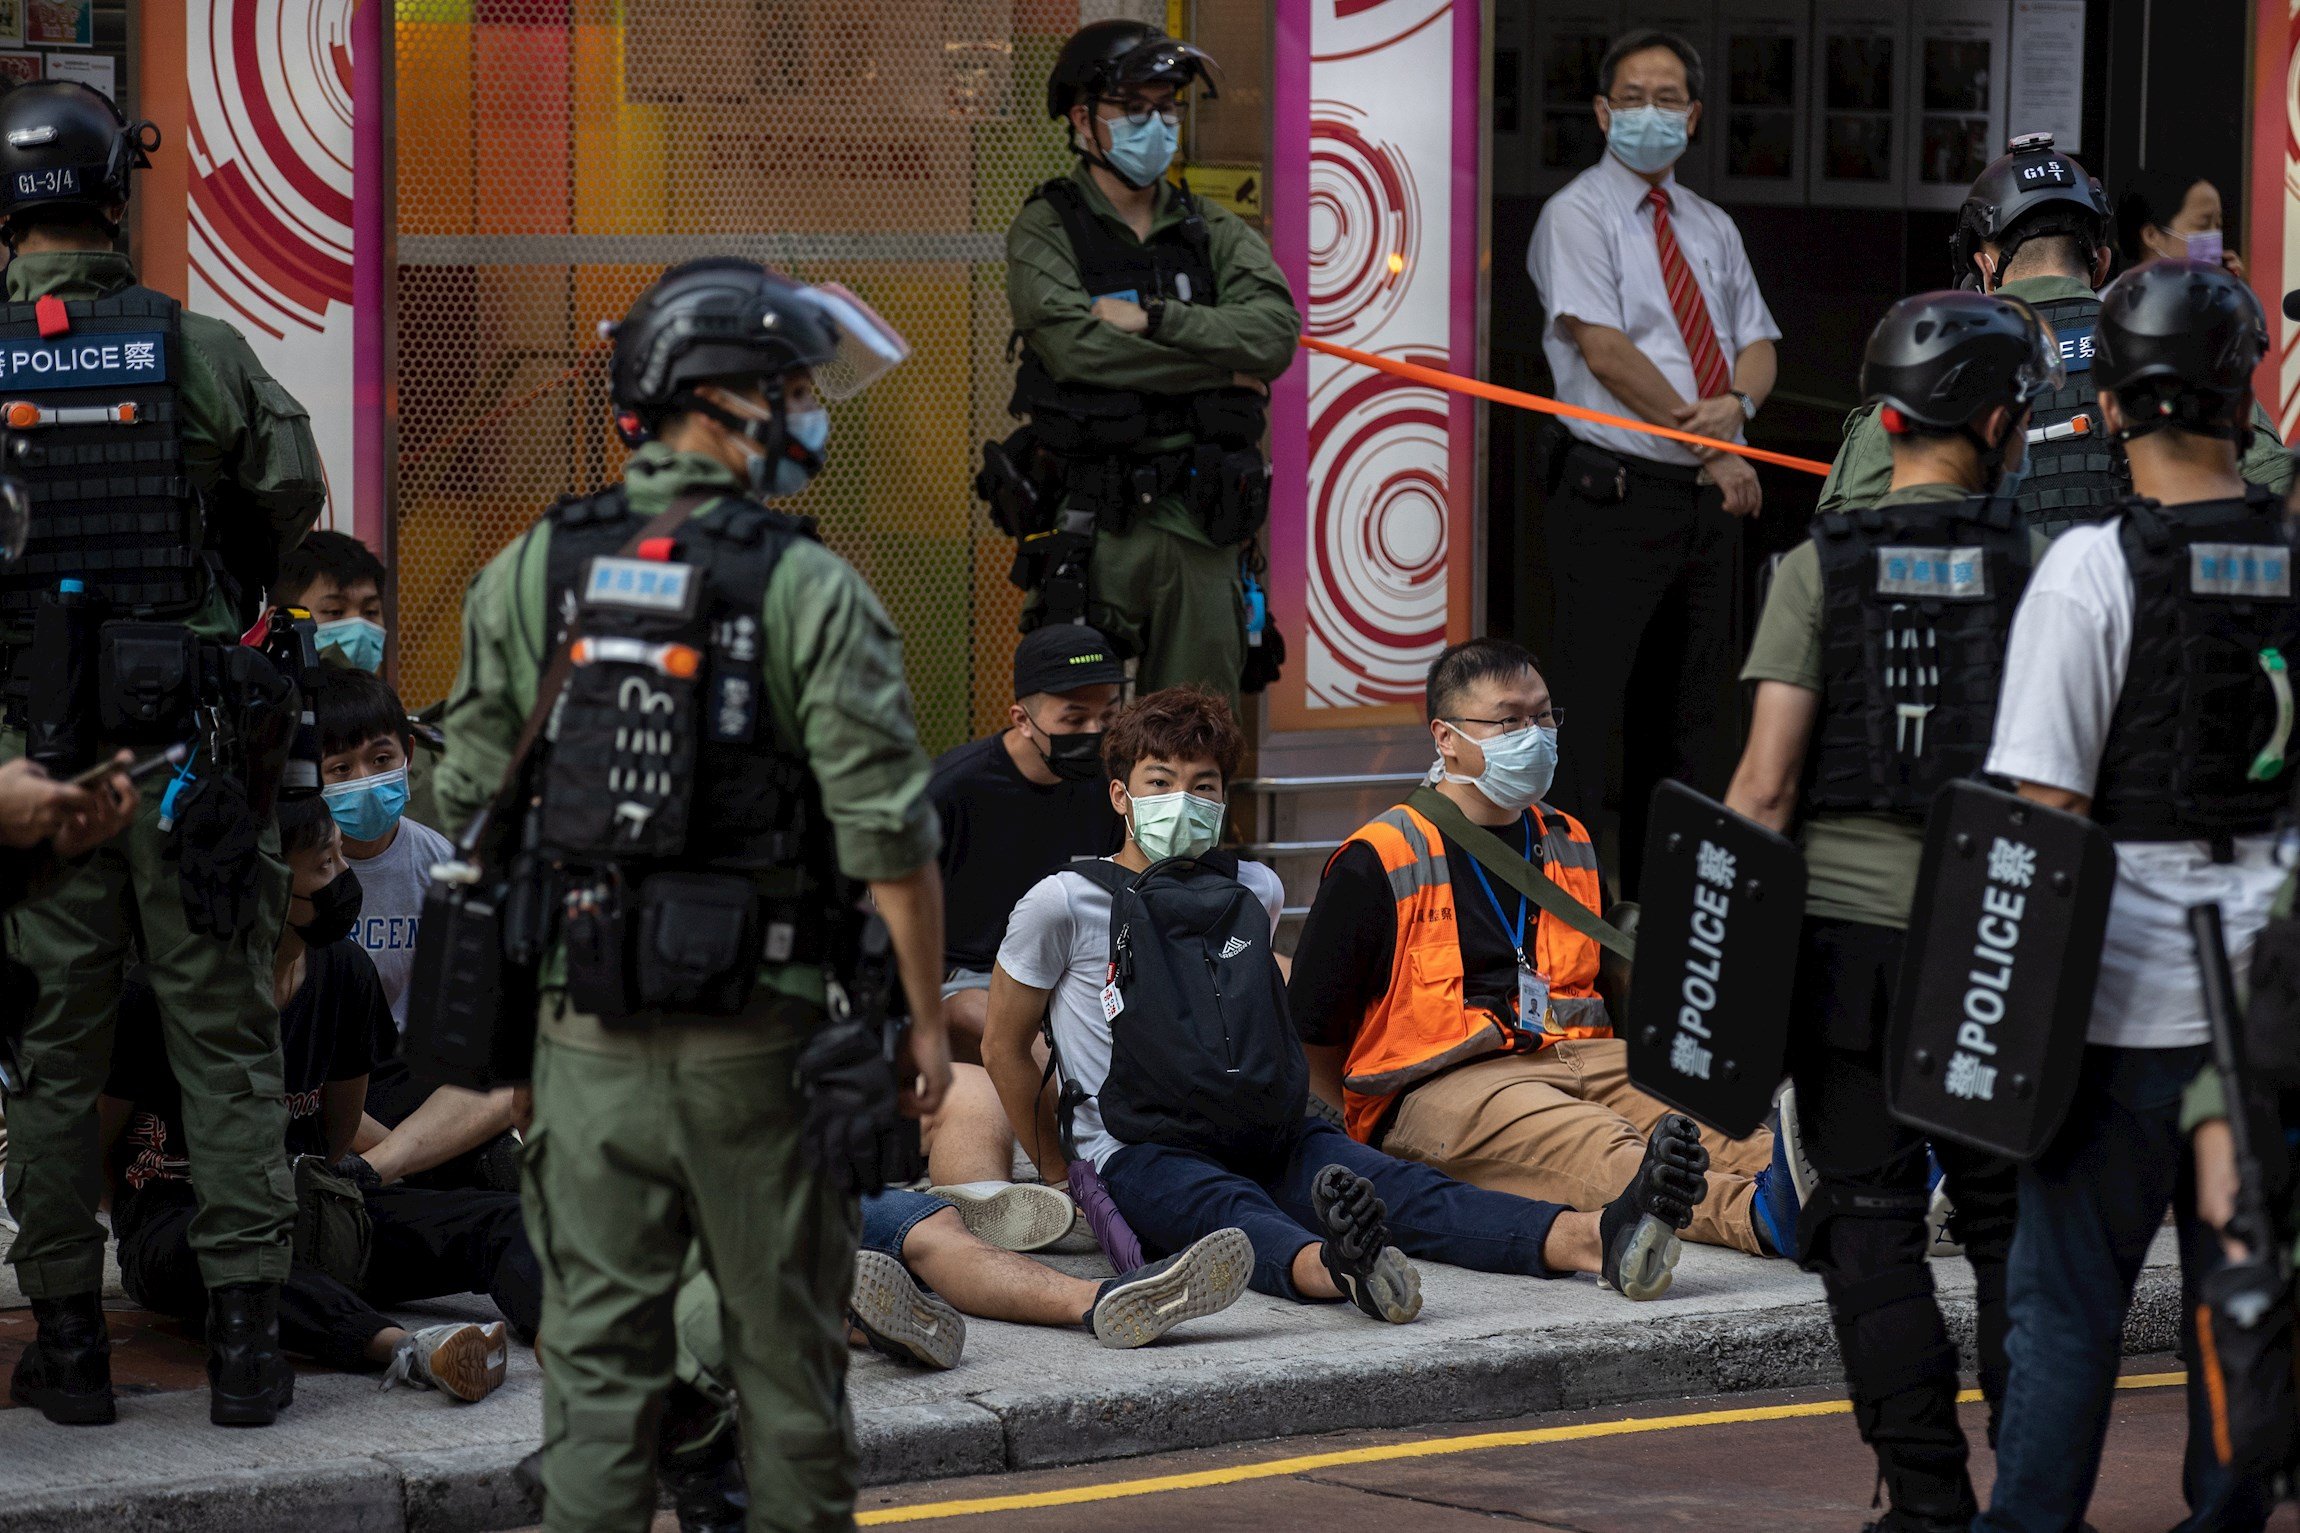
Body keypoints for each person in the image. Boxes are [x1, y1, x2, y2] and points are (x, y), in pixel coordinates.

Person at [435, 258, 952, 1532]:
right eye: (790, 388)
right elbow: (888, 834)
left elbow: (463, 792)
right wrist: (926, 1026)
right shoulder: (806, 585)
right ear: (718, 400)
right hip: (761, 1048)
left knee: (600, 1388)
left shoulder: (528, 567)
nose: (808, 414)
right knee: (785, 1376)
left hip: (579, 1042)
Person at [982, 686, 1714, 1320]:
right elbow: (1002, 1046)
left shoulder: (1255, 890)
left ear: (1224, 798)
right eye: (1160, 780)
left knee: (1409, 1190)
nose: (1184, 800)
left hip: (1266, 1128)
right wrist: (1056, 1171)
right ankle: (1340, 1267)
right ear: (1121, 794)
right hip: (1141, 1151)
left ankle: (1597, 1235)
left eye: (1203, 785)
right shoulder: (1062, 902)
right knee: (1232, 1216)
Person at [0, 81, 327, 1429]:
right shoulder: (193, 348)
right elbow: (290, 493)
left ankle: (70, 1344)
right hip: (190, 752)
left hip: (37, 769)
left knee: (49, 1056)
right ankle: (248, 1349)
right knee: (226, 1047)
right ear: (112, 196)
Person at [1974, 259, 2290, 1532]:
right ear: (2239, 393)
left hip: (2110, 1018)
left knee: (2064, 1315)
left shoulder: (2087, 572)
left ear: (2105, 403)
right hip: (2266, 1024)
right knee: (2244, 1297)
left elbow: (2038, 817)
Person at [1725, 291, 2049, 1531]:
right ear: (1997, 418)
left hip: (1842, 955)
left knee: (1865, 1224)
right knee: (2008, 1226)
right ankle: (2032, 1496)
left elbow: (1761, 790)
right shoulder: (2041, 573)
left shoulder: (1816, 569)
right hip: (1996, 941)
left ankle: (1922, 1505)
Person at [1289, 637, 1795, 1257]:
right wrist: (1371, 1136)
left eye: (1543, 715)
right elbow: (1311, 1028)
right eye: (1508, 720)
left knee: (1723, 1124)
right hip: (1451, 1081)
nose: (1534, 733)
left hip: (1585, 1055)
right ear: (1445, 738)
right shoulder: (1380, 858)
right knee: (1606, 1147)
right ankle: (1764, 1216)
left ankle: (1836, 1192)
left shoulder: (1568, 838)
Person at [100, 799, 536, 1406]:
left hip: (315, 1204)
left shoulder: (344, 973)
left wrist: (337, 1190)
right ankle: (410, 1350)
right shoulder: (158, 996)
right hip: (180, 1224)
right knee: (243, 1256)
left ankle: (567, 1327)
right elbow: (97, 1146)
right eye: (324, 865)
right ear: (264, 885)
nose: (344, 879)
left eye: (338, 857)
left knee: (501, 1219)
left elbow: (337, 1133)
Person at [1525, 28, 1780, 894]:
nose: (1649, 112)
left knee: (1700, 724)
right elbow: (1604, 352)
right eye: (1632, 97)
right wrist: (1716, 445)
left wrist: (1737, 411)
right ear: (1602, 112)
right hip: (1614, 496)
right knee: (1593, 724)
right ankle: (1582, 921)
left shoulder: (1711, 225)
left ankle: (1678, 917)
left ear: (1695, 116)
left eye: (1668, 98)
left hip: (1706, 505)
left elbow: (1758, 347)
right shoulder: (1577, 214)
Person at [999, 18, 1299, 715]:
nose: (1154, 125)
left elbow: (1275, 336)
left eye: (1165, 108)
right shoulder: (1046, 227)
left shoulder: (1210, 228)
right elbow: (1075, 346)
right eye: (1132, 109)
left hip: (1200, 521)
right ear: (1082, 119)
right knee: (1070, 730)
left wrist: (1160, 318)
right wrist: (1218, 371)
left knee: (1190, 738)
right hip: (1093, 527)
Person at [1820, 135, 2294, 530]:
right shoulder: (2171, 346)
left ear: (1984, 270)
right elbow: (2273, 488)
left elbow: (1845, 533)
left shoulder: (1930, 361)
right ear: (2102, 262)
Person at [309, 665, 518, 1193]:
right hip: (323, 1079)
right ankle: (425, 1161)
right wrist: (420, 1143)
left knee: (514, 1078)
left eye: (381, 760)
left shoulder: (441, 862)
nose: (365, 780)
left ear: (410, 755)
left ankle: (376, 1171)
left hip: (411, 1072)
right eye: (339, 768)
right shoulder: (296, 875)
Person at [931, 622, 1124, 1059]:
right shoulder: (950, 790)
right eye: (1075, 719)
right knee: (1029, 1044)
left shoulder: (1112, 782)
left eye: (1109, 716)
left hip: (1078, 973)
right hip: (971, 979)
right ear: (1022, 720)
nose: (1095, 732)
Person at [274, 528, 450, 833]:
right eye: (334, 611)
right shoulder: (266, 742)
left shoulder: (427, 753)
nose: (358, 627)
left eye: (370, 611)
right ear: (280, 621)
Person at [2117, 167, 2246, 276]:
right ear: (2151, 235)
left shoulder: (2218, 298)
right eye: (2203, 225)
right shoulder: (2115, 303)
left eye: (2218, 225)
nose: (2214, 236)